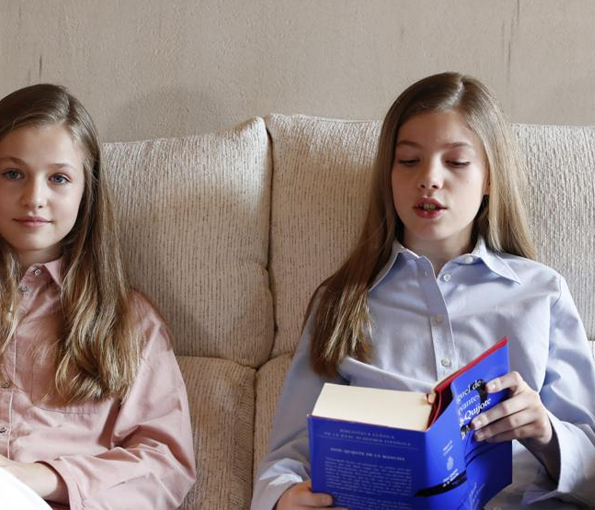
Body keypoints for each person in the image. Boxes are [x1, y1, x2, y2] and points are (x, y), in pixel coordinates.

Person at [251, 72, 595, 510]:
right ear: (389, 175)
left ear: (489, 178)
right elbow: (286, 459)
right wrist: (283, 500)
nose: (429, 179)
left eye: (455, 162)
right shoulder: (341, 302)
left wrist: (545, 431)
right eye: (409, 161)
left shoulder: (541, 293)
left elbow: (590, 469)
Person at [0, 84, 196, 509]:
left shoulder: (128, 322)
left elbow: (166, 465)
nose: (34, 198)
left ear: (85, 193)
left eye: (58, 178)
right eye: (13, 173)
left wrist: (36, 477)